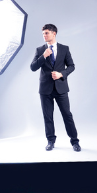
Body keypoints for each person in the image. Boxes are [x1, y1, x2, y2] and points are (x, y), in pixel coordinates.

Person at [30, 23, 81, 152]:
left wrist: (61, 74)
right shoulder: (40, 50)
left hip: (61, 88)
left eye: (46, 33)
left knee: (67, 115)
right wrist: (44, 56)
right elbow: (33, 67)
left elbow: (71, 66)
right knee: (48, 116)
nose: (44, 36)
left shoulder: (64, 49)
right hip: (45, 89)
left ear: (54, 33)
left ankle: (75, 141)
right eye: (43, 34)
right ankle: (50, 141)